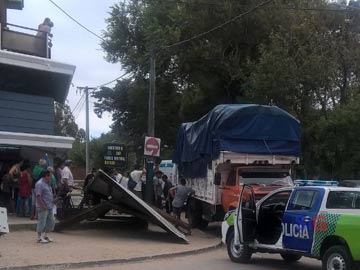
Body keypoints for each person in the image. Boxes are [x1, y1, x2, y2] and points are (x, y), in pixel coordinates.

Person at [35, 170, 55, 243]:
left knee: (51, 221)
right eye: (49, 176)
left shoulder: (47, 183)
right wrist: (43, 205)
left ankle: (45, 236)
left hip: (49, 206)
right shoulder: (39, 184)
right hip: (42, 206)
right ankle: (39, 237)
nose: (51, 177)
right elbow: (38, 196)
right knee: (42, 222)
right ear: (45, 176)